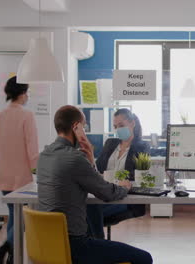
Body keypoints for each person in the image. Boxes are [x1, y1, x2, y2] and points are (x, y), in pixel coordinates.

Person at [37, 105, 152, 264]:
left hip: (46, 243)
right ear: (76, 127)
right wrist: (124, 187)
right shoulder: (75, 158)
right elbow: (108, 193)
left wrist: (90, 157)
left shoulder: (44, 155)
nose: (84, 131)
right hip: (74, 245)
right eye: (83, 127)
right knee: (144, 258)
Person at [0, 76, 39, 264]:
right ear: (22, 94)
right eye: (27, 92)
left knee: (14, 213)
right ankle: (8, 246)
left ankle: (11, 254)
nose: (28, 96)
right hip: (22, 176)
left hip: (3, 174)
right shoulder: (27, 116)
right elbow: (32, 149)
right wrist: (37, 172)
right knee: (23, 217)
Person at [87, 108, 149, 239]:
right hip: (103, 193)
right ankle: (94, 246)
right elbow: (98, 170)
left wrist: (108, 177)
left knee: (91, 211)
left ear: (132, 123)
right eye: (115, 126)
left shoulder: (141, 146)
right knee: (85, 209)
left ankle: (97, 247)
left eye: (121, 125)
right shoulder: (110, 143)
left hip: (124, 197)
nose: (118, 129)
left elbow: (136, 176)